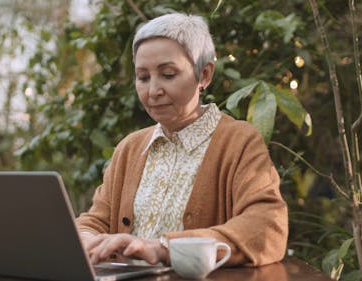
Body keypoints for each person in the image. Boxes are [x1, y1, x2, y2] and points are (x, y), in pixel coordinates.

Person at [75, 12, 288, 267]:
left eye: (168, 74)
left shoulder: (239, 141)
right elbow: (96, 219)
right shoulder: (129, 148)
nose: (153, 91)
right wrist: (85, 238)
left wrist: (165, 248)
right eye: (143, 77)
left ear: (204, 74)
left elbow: (266, 227)